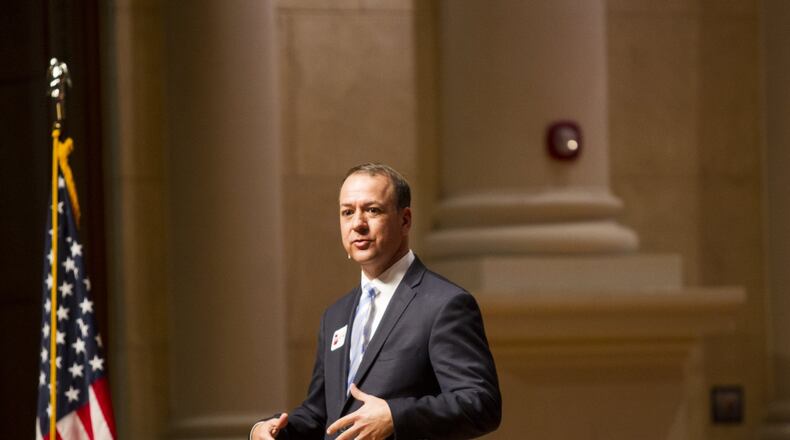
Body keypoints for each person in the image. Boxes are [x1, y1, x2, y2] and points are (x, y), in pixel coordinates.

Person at [251, 163, 501, 440]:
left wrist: (395, 416)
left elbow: (481, 403)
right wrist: (270, 430)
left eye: (373, 210)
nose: (357, 223)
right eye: (348, 212)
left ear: (405, 220)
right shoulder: (335, 315)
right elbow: (321, 414)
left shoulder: (445, 304)